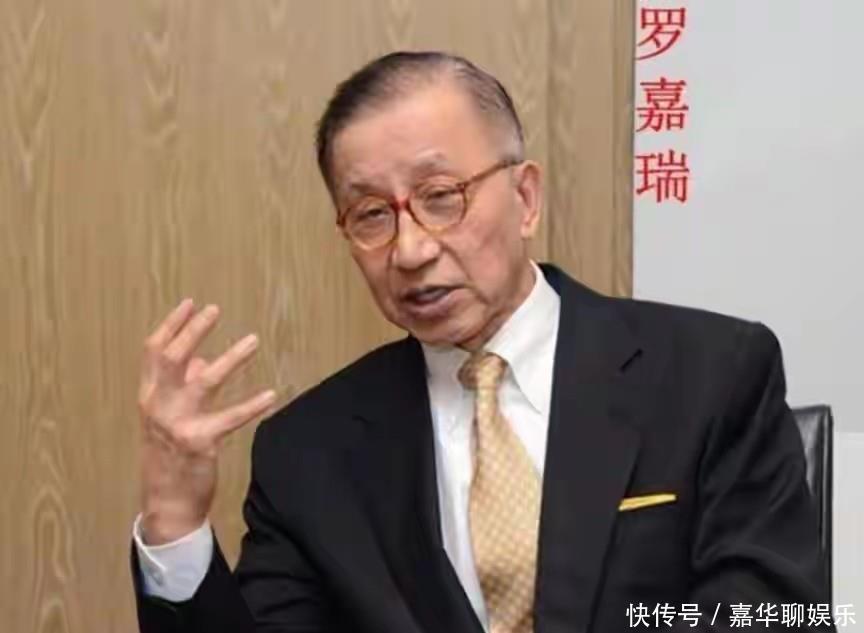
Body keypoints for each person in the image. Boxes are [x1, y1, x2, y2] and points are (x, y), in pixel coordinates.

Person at [131, 51, 832, 633]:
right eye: (371, 214)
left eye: (441, 196)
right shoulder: (308, 452)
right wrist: (175, 520)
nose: (410, 250)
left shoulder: (710, 376)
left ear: (525, 199)